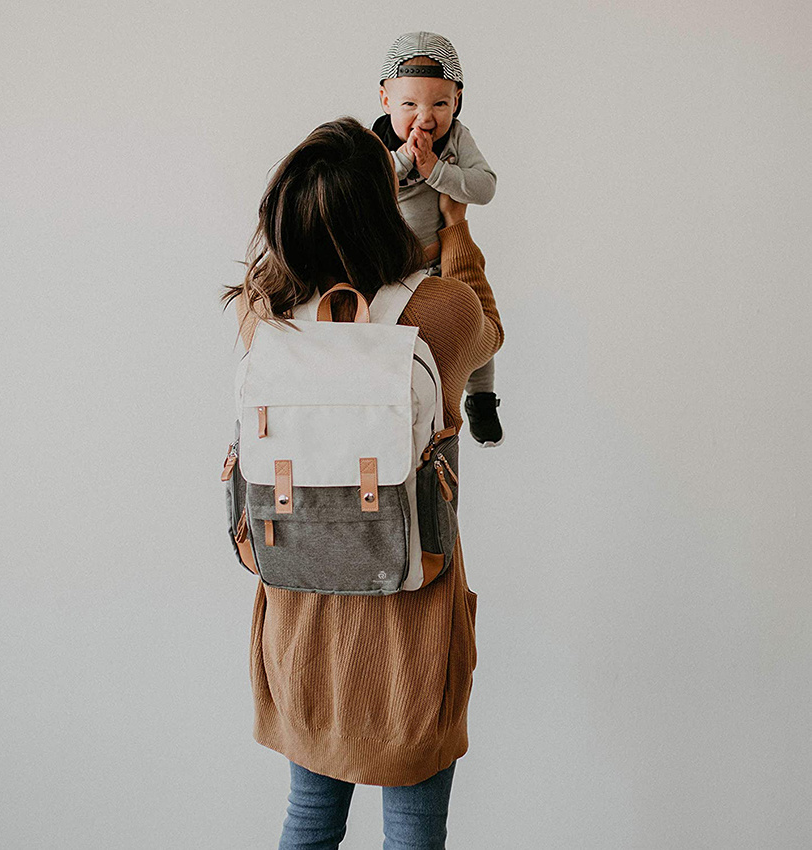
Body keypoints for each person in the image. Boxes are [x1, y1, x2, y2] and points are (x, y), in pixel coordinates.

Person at [221, 116, 503, 849]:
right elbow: (490, 330)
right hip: (409, 615)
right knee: (413, 832)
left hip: (301, 612)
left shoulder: (264, 313)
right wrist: (453, 223)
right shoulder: (439, 314)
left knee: (309, 820)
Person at [372, 30, 505, 448]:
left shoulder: (458, 140)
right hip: (392, 269)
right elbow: (364, 187)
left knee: (477, 326)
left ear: (458, 101)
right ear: (385, 101)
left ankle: (480, 398)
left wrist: (437, 172)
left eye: (440, 104)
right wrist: (407, 160)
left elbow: (484, 188)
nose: (425, 118)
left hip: (446, 257)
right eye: (409, 104)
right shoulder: (374, 143)